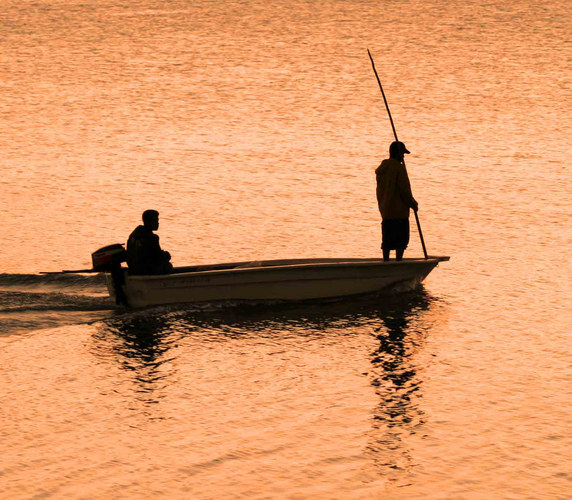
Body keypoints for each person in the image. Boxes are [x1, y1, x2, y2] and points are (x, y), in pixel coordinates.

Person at [375, 141, 419, 261]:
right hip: (399, 213)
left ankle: (386, 262)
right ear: (398, 154)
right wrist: (413, 204)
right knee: (401, 242)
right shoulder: (399, 169)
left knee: (387, 242)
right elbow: (404, 191)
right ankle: (398, 263)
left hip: (386, 211)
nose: (403, 157)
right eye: (402, 154)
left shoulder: (382, 170)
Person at [126, 210, 173, 275]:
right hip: (145, 271)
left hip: (133, 269)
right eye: (156, 220)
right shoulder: (152, 238)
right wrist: (166, 256)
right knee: (168, 266)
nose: (158, 223)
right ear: (150, 222)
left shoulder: (133, 235)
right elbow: (158, 257)